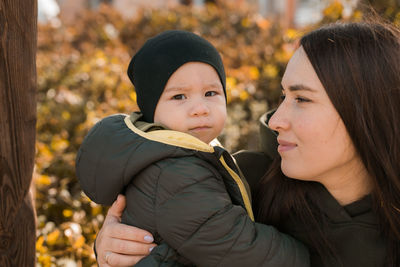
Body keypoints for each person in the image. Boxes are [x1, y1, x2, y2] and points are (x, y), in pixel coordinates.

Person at [93, 20, 400, 266]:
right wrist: (113, 248)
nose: (277, 119)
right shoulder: (239, 183)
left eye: (302, 99)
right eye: (283, 97)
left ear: (367, 112)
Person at [76, 30, 309, 266]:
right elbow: (234, 244)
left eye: (210, 93)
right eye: (179, 97)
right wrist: (300, 256)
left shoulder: (185, 156)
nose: (200, 108)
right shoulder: (175, 172)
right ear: (151, 110)